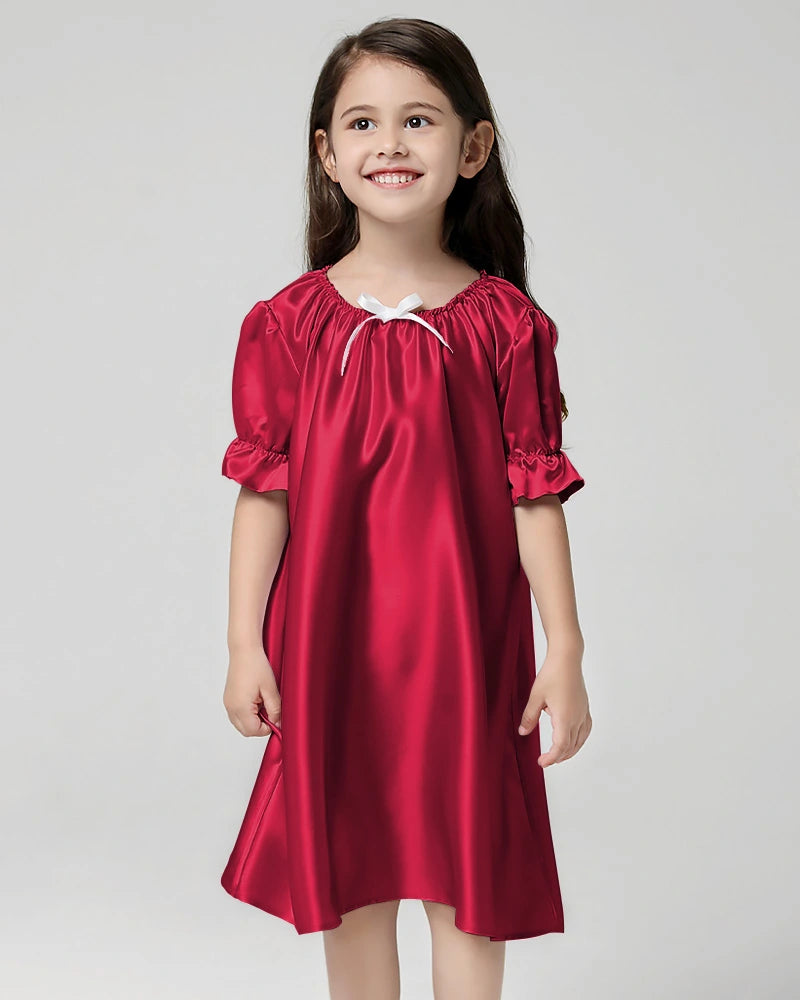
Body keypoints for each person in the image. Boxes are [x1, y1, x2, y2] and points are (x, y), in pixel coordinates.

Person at [219, 16, 592, 1000]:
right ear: (326, 154)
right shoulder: (288, 324)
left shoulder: (506, 326)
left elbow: (533, 494)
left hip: (467, 651)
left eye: (418, 120)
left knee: (469, 876)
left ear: (472, 147)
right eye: (363, 123)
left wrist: (564, 647)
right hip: (330, 644)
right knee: (348, 871)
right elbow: (265, 491)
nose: (389, 143)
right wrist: (245, 643)